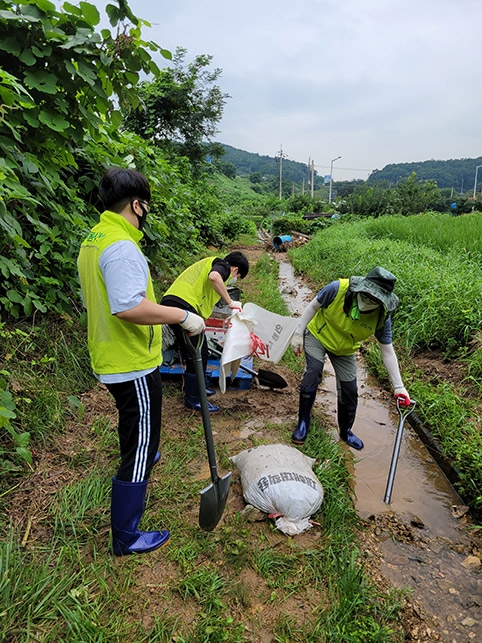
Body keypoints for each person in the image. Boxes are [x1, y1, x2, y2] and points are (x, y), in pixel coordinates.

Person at [77, 167, 205, 556]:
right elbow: (128, 306)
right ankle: (126, 535)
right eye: (145, 206)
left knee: (133, 424)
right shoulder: (121, 246)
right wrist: (183, 317)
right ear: (137, 204)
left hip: (109, 354)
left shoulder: (94, 239)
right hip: (130, 360)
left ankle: (141, 454)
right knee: (141, 438)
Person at [290, 266, 410, 450]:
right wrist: (298, 333)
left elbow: (387, 351)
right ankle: (303, 423)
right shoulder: (337, 289)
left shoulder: (381, 317)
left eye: (375, 299)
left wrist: (399, 387)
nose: (369, 300)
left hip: (345, 349)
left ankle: (346, 431)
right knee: (313, 372)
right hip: (319, 336)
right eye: (367, 295)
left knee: (349, 389)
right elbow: (313, 306)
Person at [161, 251, 249, 413]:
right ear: (235, 269)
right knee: (198, 353)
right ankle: (194, 399)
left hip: (175, 303)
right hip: (182, 306)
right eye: (238, 276)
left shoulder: (210, 263)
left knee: (194, 351)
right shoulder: (222, 265)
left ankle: (198, 388)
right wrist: (231, 303)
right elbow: (214, 277)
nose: (233, 279)